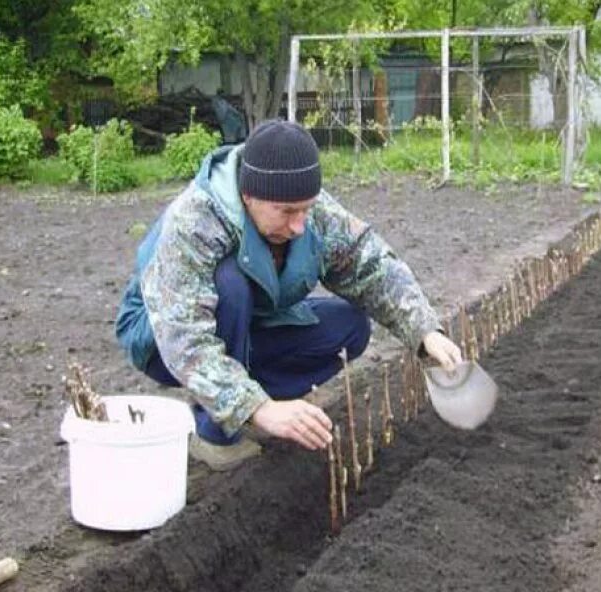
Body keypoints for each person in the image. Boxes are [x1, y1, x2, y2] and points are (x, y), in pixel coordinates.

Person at [115, 120, 461, 469]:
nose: (299, 225)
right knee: (230, 283)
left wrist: (425, 331)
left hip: (249, 324)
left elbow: (368, 263)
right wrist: (259, 409)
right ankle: (217, 433)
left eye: (306, 209)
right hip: (160, 338)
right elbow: (184, 338)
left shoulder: (306, 207)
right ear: (248, 196)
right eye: (287, 212)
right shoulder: (195, 221)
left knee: (350, 327)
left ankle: (249, 402)